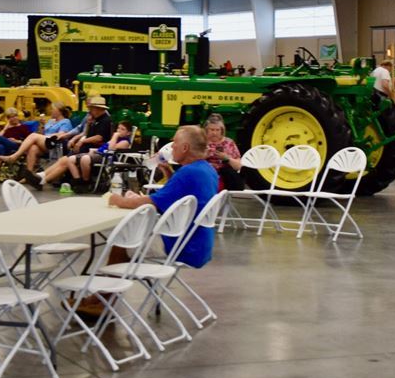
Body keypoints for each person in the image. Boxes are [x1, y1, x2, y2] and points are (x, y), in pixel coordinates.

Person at [108, 124, 219, 266]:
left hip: (181, 245)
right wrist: (171, 175)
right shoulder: (207, 170)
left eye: (175, 143)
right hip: (199, 243)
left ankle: (109, 280)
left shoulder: (187, 173)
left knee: (123, 240)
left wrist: (117, 200)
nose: (172, 147)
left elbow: (151, 204)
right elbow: (182, 196)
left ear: (185, 148)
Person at [41, 105, 124, 188]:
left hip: (94, 149)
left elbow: (99, 138)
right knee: (63, 160)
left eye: (91, 108)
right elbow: (86, 134)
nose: (89, 111)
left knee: (65, 161)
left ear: (98, 109)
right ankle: (41, 176)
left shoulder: (105, 121)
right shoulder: (95, 120)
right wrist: (88, 124)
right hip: (86, 148)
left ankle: (43, 180)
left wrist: (82, 141)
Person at [201, 113, 245, 190]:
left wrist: (227, 158)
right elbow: (192, 161)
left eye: (217, 130)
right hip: (206, 171)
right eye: (212, 130)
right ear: (206, 130)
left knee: (229, 173)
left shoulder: (229, 142)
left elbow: (238, 166)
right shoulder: (201, 142)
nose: (214, 133)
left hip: (225, 173)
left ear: (222, 131)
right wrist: (204, 156)